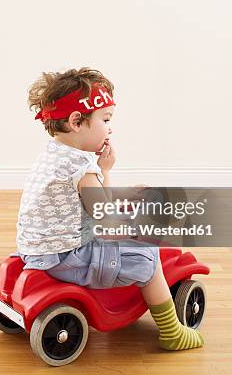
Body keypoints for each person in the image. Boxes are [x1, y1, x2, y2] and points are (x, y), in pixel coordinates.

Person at [16, 67, 204, 351]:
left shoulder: (53, 154)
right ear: (77, 121)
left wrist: (110, 178)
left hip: (37, 249)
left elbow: (80, 202)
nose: (110, 128)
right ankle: (172, 332)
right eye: (105, 119)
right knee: (148, 257)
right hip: (68, 255)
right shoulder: (82, 168)